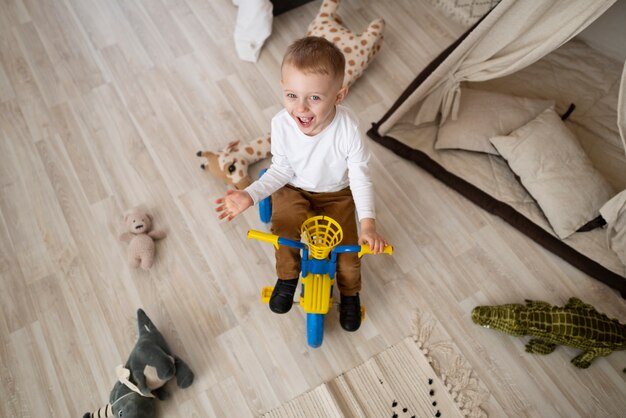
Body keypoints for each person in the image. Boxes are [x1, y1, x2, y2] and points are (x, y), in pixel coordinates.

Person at [215, 36, 388, 331]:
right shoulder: (282, 124)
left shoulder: (348, 129)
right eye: (292, 95)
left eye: (315, 98)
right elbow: (280, 169)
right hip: (293, 187)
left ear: (339, 96)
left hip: (337, 194)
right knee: (285, 231)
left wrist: (368, 224)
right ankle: (287, 277)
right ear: (283, 88)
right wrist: (249, 194)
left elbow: (360, 176)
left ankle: (349, 294)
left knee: (347, 254)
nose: (301, 109)